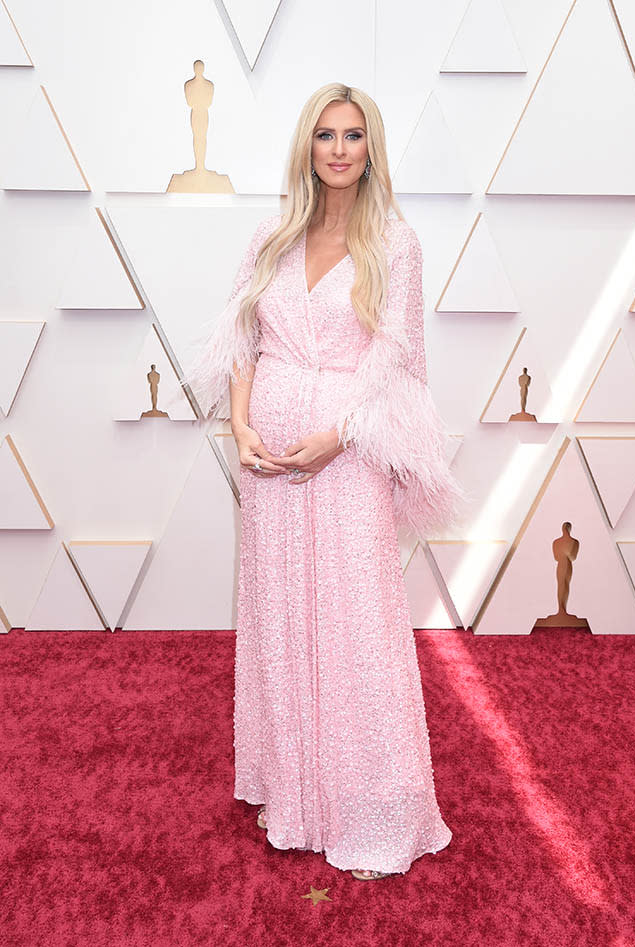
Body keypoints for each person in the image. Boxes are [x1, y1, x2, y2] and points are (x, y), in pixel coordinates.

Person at [179, 82, 467, 880]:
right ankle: (296, 794)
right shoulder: (270, 236)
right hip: (269, 457)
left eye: (353, 136)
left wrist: (334, 437)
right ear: (307, 147)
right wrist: (240, 425)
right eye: (324, 136)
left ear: (371, 149)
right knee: (280, 613)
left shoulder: (396, 242)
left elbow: (395, 358)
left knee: (356, 624)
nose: (338, 150)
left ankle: (376, 810)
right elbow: (241, 335)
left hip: (347, 455)